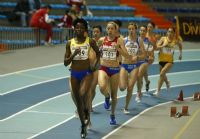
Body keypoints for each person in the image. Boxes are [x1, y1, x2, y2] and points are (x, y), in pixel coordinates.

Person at [64, 18, 100, 138]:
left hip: (86, 73)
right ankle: (83, 126)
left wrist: (94, 65)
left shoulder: (90, 41)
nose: (79, 29)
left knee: (83, 94)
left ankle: (86, 111)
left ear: (85, 29)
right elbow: (65, 62)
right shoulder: (70, 43)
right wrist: (74, 54)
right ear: (74, 28)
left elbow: (98, 53)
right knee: (78, 100)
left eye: (81, 28)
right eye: (77, 27)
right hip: (74, 73)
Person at [97, 21, 135, 125]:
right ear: (106, 30)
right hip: (103, 67)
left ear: (115, 30)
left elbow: (127, 56)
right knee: (101, 87)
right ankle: (106, 96)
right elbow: (96, 51)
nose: (110, 30)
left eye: (112, 29)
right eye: (108, 28)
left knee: (115, 95)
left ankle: (112, 115)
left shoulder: (120, 40)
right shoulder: (101, 40)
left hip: (114, 70)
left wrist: (119, 49)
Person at [119, 23, 146, 113]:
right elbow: (120, 53)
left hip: (134, 66)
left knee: (130, 88)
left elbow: (144, 55)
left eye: (132, 29)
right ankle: (124, 81)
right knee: (122, 88)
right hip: (124, 65)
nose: (131, 30)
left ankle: (126, 107)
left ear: (136, 30)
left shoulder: (139, 40)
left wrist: (137, 57)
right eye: (129, 29)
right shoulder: (124, 40)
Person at [153, 27, 182, 96]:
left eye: (171, 32)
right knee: (163, 74)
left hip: (169, 61)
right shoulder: (163, 39)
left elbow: (180, 45)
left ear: (174, 33)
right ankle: (167, 82)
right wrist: (163, 45)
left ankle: (157, 90)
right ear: (167, 32)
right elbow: (156, 47)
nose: (170, 33)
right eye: (169, 31)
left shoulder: (175, 40)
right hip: (161, 60)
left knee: (162, 73)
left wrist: (180, 54)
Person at [136, 25, 154, 103]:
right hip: (137, 60)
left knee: (139, 75)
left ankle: (138, 93)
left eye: (144, 30)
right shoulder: (135, 40)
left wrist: (150, 57)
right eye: (141, 30)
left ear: (146, 32)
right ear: (139, 31)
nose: (142, 32)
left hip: (145, 60)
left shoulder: (148, 41)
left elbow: (150, 53)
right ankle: (147, 82)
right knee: (143, 74)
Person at [88, 25, 102, 112]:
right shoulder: (89, 42)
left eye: (97, 32)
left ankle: (89, 104)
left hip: (97, 67)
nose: (95, 33)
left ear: (100, 33)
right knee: (88, 88)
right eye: (94, 32)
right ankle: (89, 104)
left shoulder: (102, 42)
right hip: (89, 66)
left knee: (92, 87)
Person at [143, 22, 158, 92]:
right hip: (142, 56)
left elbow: (155, 48)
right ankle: (147, 82)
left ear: (153, 28)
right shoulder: (143, 35)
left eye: (150, 27)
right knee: (144, 71)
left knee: (142, 69)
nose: (148, 28)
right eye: (148, 27)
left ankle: (140, 88)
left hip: (150, 57)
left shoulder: (154, 38)